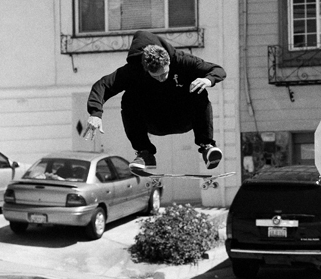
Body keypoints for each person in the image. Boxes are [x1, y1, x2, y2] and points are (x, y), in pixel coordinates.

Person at [83, 30, 225, 172]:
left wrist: (208, 79)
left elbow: (217, 69)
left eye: (164, 73)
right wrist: (95, 113)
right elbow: (102, 85)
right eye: (155, 76)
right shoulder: (133, 71)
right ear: (145, 68)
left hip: (184, 118)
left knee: (200, 91)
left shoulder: (181, 60)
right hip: (156, 122)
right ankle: (145, 154)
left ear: (168, 61)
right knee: (128, 100)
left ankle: (207, 146)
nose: (161, 79)